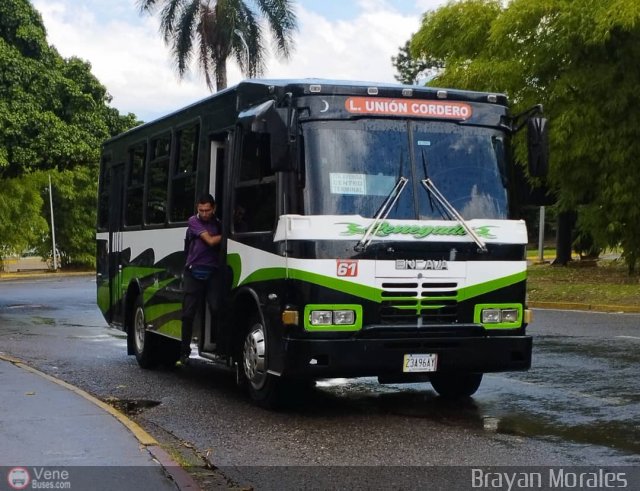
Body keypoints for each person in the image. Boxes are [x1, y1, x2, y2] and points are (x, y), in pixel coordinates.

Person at [180, 193, 222, 365]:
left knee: (217, 308)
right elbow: (211, 241)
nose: (204, 214)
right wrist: (228, 234)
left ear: (214, 208)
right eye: (201, 210)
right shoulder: (193, 221)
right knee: (188, 314)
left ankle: (221, 349)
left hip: (212, 273)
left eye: (208, 210)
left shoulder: (217, 223)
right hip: (193, 273)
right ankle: (184, 353)